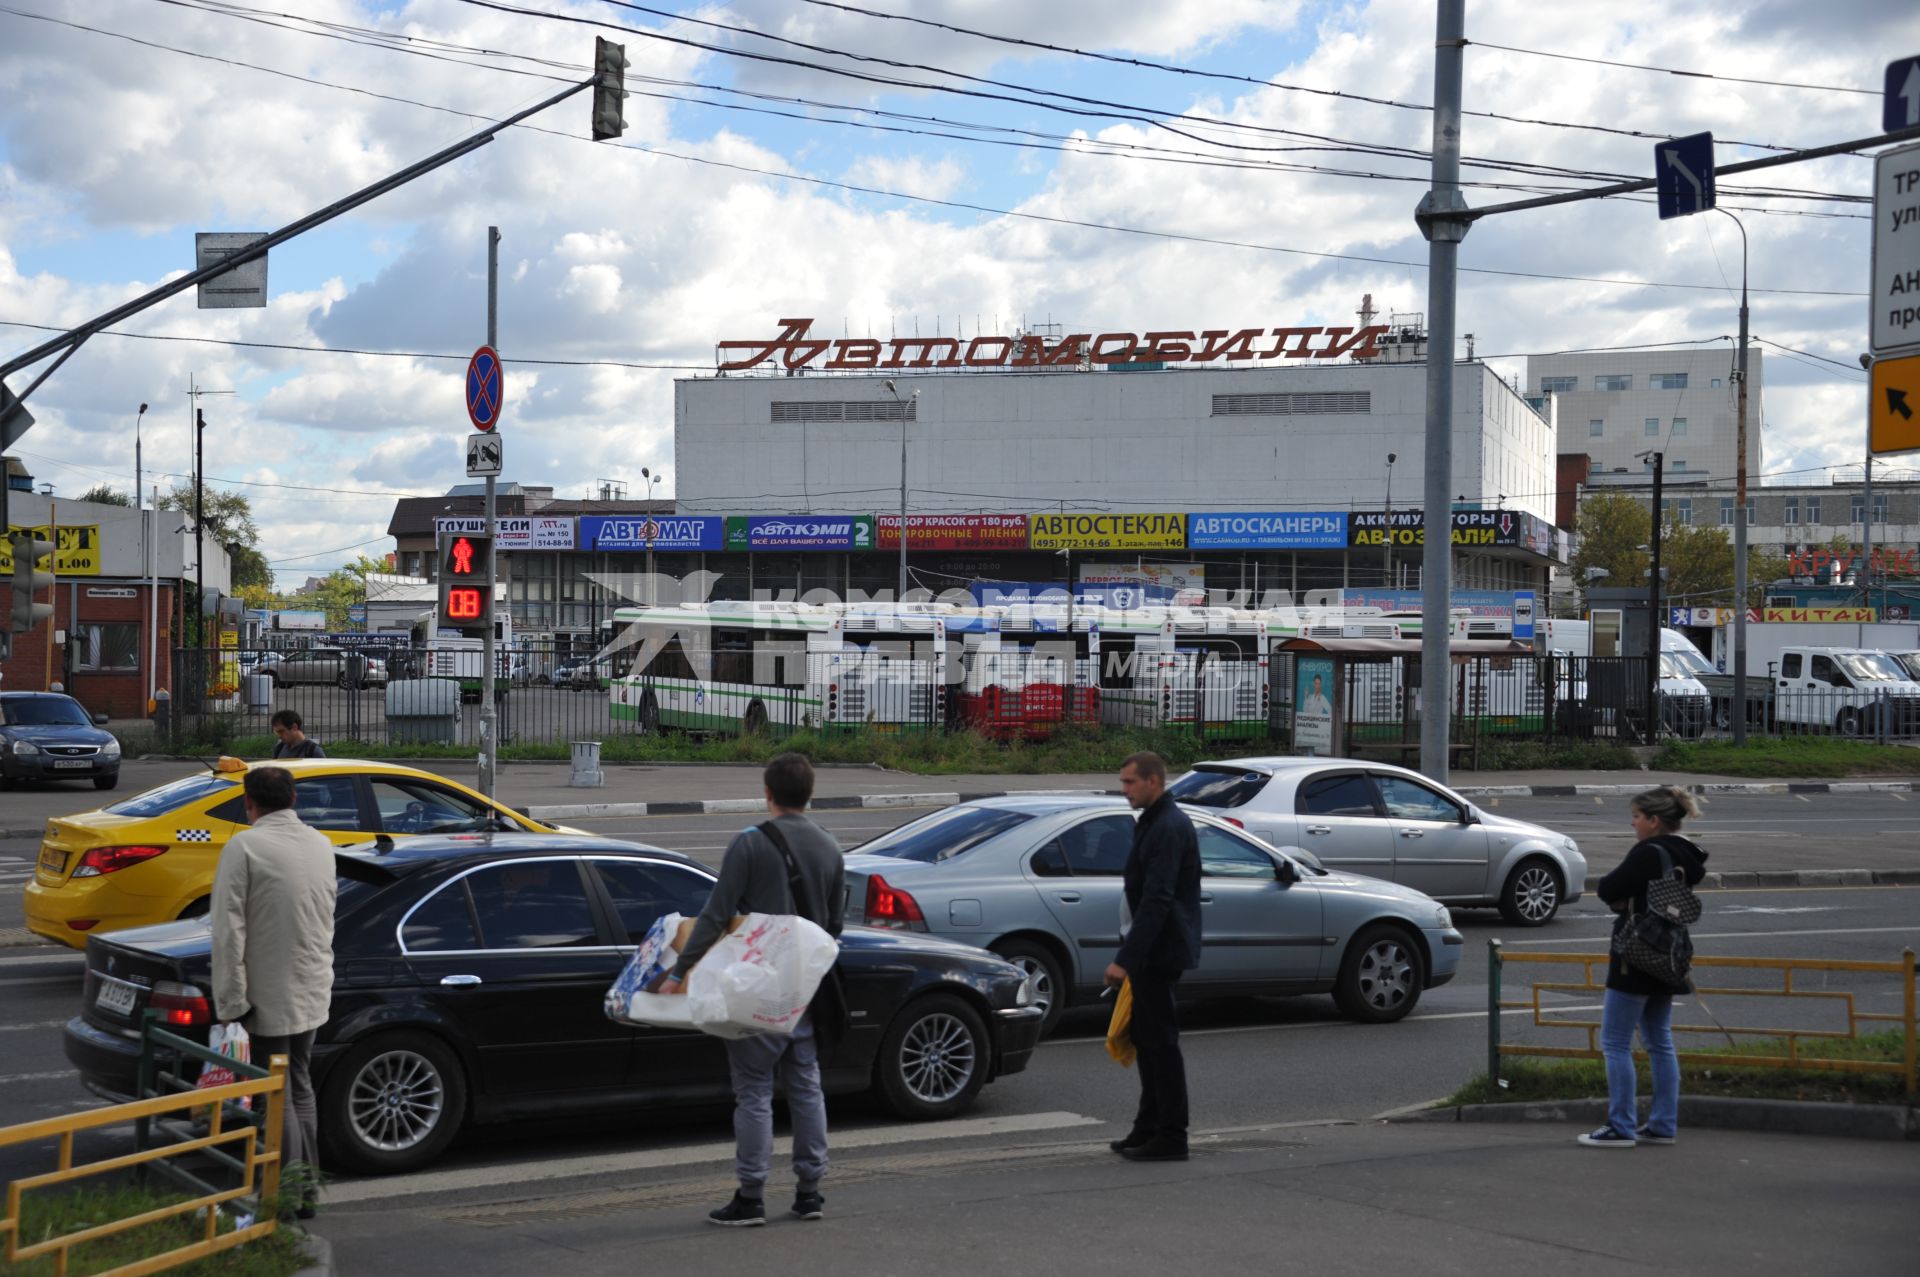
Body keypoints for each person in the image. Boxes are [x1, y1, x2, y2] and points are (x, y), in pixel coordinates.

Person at [659, 753, 846, 1226]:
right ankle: (810, 1193)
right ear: (810, 793)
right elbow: (835, 928)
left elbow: (716, 914)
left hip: (754, 987)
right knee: (806, 1086)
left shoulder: (749, 844)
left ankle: (751, 1196)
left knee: (754, 1091)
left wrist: (679, 971)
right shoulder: (830, 847)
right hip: (804, 988)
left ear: (767, 793)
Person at [210, 766, 337, 1216]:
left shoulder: (245, 846)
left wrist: (229, 1002)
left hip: (266, 994)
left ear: (249, 804)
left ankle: (281, 1197)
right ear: (294, 800)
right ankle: (304, 1195)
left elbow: (228, 931)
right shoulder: (321, 844)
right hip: (313, 987)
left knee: (276, 1091)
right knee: (300, 1085)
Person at [1580, 785, 1707, 1149]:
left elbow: (1608, 888)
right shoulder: (1686, 854)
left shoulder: (1648, 852)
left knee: (1615, 1042)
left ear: (1653, 821)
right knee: (1659, 1041)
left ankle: (1620, 1125)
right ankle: (1663, 1124)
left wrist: (1623, 899)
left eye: (1636, 816)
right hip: (1668, 956)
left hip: (1635, 956)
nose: (1632, 823)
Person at [1104, 751, 1202, 1163]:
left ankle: (1171, 1137)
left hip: (1159, 952)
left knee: (1161, 1045)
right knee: (1147, 1041)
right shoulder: (1155, 821)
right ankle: (1147, 1128)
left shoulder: (1167, 826)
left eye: (1130, 783)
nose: (1124, 790)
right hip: (1151, 950)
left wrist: (1126, 959)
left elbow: (1157, 900)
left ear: (1153, 782)